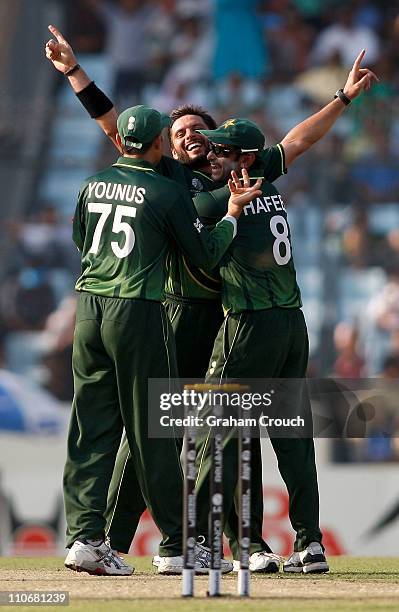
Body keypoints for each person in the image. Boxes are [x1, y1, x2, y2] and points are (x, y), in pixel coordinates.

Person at [188, 50, 378, 573]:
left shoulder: (213, 201)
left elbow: (199, 251)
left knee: (215, 429)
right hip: (293, 326)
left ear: (243, 159)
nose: (210, 157)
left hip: (248, 326)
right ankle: (311, 543)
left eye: (222, 152)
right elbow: (299, 140)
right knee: (291, 436)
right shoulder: (265, 178)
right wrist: (342, 98)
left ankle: (208, 543)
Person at [63, 102, 262, 576]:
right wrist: (232, 213)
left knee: (90, 428)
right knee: (155, 429)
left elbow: (80, 239)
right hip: (139, 308)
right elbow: (206, 254)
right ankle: (176, 545)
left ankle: (84, 538)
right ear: (158, 143)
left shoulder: (92, 184)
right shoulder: (165, 192)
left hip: (88, 305)